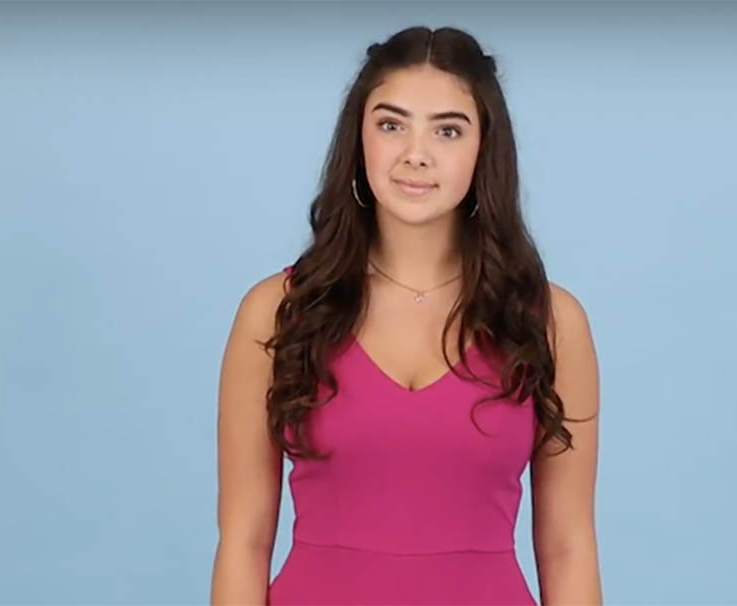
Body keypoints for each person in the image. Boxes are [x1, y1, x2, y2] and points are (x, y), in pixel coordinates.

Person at [210, 25, 602, 605]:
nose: (416, 154)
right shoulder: (276, 312)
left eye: (448, 130)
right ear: (359, 139)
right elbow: (243, 539)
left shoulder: (549, 322)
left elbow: (569, 546)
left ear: (484, 149)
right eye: (391, 125)